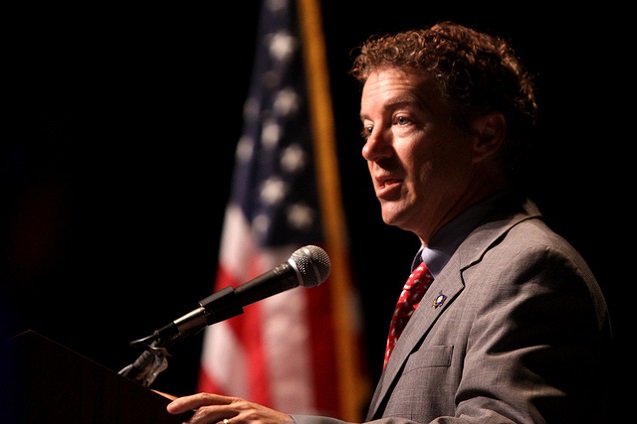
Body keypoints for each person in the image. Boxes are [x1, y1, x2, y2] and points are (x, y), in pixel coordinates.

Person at [165, 21, 613, 423]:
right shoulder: (441, 274)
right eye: (366, 128)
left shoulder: (530, 268)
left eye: (401, 120)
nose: (371, 149)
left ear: (484, 137)